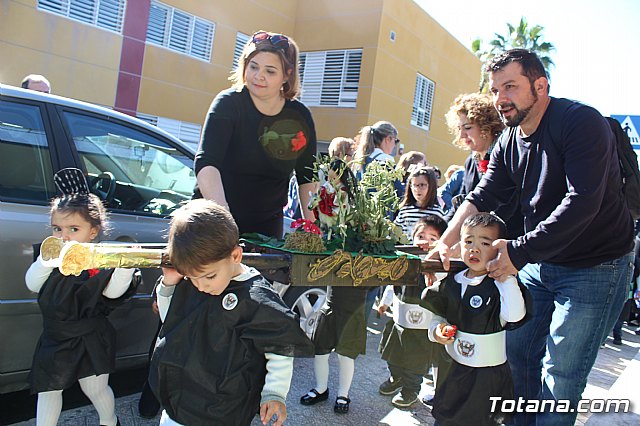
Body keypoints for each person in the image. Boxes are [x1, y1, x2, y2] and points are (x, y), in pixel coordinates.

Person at [431, 49, 635, 426]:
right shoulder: (509, 139)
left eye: (510, 86)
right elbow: (483, 195)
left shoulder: (580, 122)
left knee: (562, 375)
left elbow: (582, 201)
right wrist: (446, 239)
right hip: (539, 262)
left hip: (595, 266)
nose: (500, 98)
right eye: (495, 89)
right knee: (518, 355)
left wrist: (520, 251)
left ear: (540, 86)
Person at [149, 199, 314, 426]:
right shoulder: (193, 278)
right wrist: (168, 285)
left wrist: (274, 394)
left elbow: (279, 349)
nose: (201, 286)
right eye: (192, 278)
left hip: (225, 408)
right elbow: (171, 323)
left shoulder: (255, 297)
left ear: (235, 256)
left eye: (209, 277)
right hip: (179, 403)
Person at [25, 168, 138, 426]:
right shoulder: (50, 258)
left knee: (95, 389)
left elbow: (111, 294)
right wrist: (45, 262)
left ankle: (110, 421)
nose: (63, 236)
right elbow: (32, 284)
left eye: (73, 229)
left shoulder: (100, 261)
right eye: (57, 229)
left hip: (90, 337)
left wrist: (124, 268)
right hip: (56, 336)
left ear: (93, 232)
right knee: (48, 388)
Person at [193, 30, 317, 238]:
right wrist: (224, 221)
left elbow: (307, 177)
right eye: (253, 66)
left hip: (267, 227)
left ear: (287, 75)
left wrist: (314, 232)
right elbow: (206, 164)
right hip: (214, 222)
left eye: (270, 71)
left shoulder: (299, 116)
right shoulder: (228, 103)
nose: (259, 76)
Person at [422, 212, 527, 426]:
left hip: (486, 378)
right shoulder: (451, 281)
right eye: (468, 241)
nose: (474, 248)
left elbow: (515, 316)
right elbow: (437, 315)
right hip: (452, 370)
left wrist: (505, 277)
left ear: (498, 249)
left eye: (484, 242)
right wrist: (437, 331)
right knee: (444, 419)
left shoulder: (502, 284)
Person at [377, 215, 447, 408]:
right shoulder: (405, 260)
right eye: (422, 235)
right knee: (392, 353)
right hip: (399, 318)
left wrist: (432, 270)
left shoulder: (441, 265)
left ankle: (410, 390)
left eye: (433, 239)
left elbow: (442, 285)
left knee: (415, 361)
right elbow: (393, 284)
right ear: (412, 236)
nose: (426, 242)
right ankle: (395, 377)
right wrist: (385, 303)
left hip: (421, 324)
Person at [443, 93, 524, 239]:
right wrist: (440, 229)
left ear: (486, 126)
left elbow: (509, 204)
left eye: (467, 127)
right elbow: (463, 203)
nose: (461, 135)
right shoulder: (470, 161)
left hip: (509, 239)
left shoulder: (508, 153)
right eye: (459, 128)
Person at [394, 166, 447, 237]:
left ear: (431, 186)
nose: (417, 189)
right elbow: (395, 233)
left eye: (422, 185)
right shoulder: (404, 211)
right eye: (414, 185)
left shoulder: (437, 212)